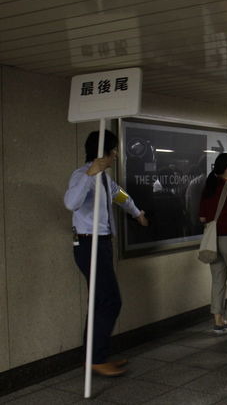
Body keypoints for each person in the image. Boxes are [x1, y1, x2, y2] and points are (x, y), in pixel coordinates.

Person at [64, 130, 149, 377]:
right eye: (113, 152)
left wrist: (138, 214)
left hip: (102, 245)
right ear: (105, 152)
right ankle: (96, 358)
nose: (115, 156)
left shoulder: (105, 178)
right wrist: (90, 173)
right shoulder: (82, 175)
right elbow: (71, 203)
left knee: (100, 300)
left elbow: (120, 195)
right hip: (88, 245)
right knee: (111, 300)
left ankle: (93, 355)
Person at [199, 153, 227, 334]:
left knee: (218, 280)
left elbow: (202, 217)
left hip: (212, 240)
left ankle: (217, 321)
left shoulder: (208, 187)